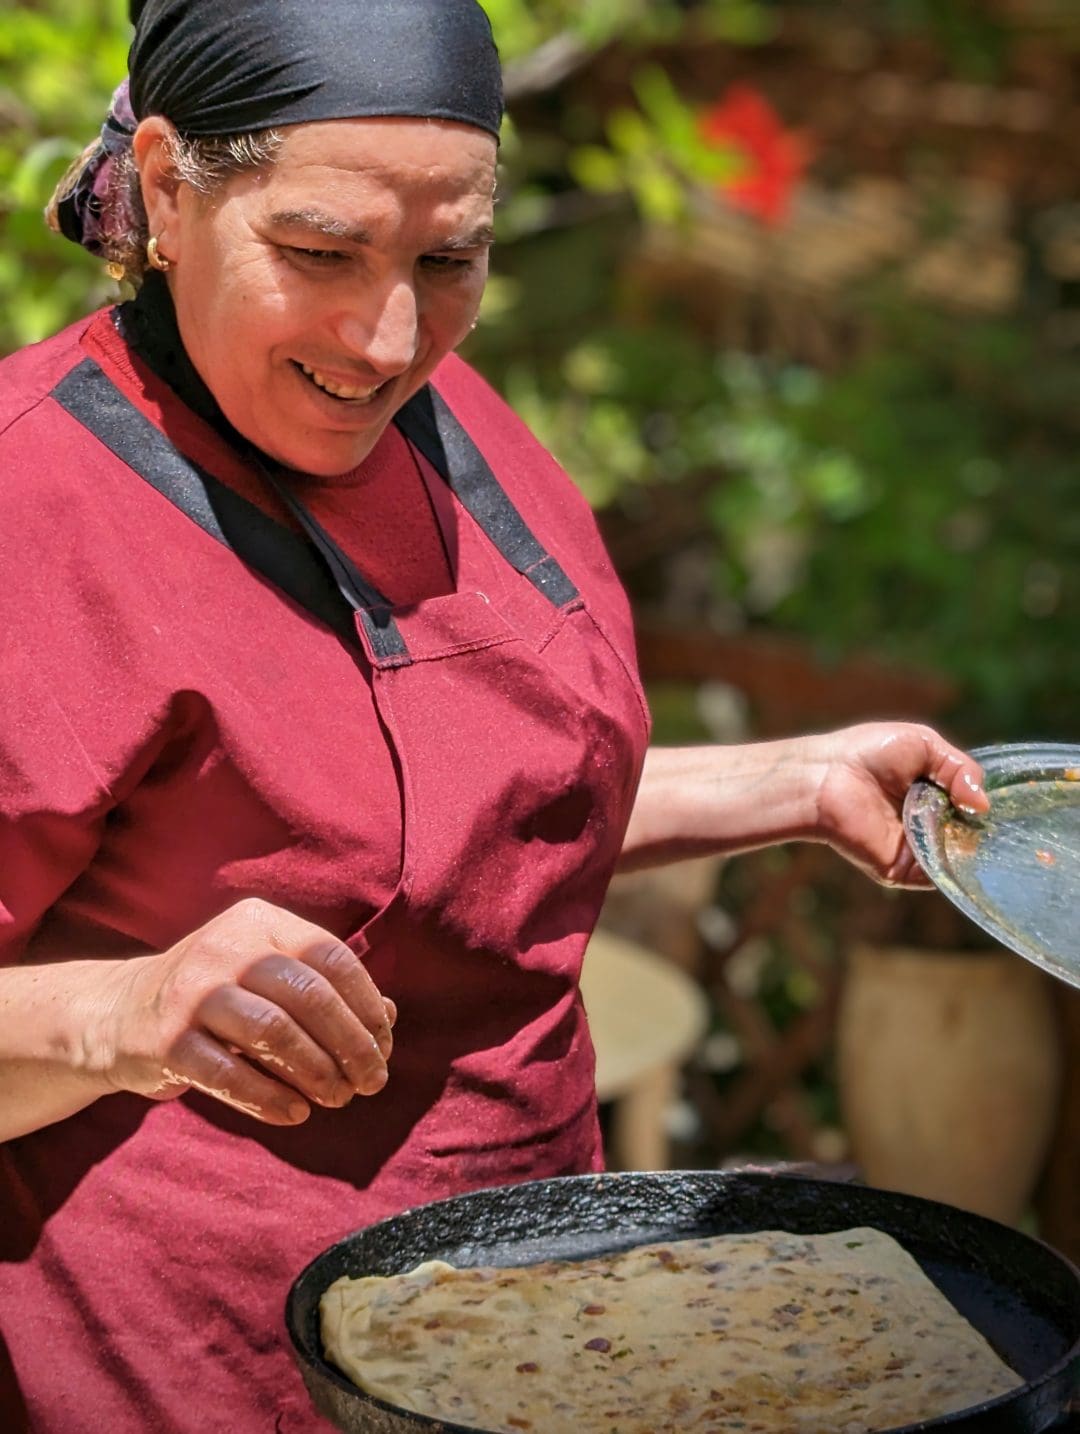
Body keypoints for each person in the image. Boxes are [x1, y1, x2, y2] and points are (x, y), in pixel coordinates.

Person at [0, 1, 990, 1429]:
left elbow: (457, 810)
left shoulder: (457, 431)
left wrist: (795, 778)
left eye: (449, 259)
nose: (388, 333)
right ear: (165, 186)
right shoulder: (38, 506)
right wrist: (129, 1007)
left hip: (547, 1326)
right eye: (320, 253)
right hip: (193, 1370)